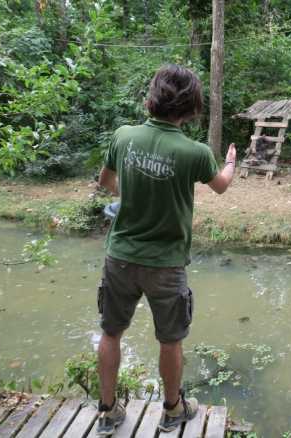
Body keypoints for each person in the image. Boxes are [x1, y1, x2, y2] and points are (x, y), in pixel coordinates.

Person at [95, 64, 236, 436]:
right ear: (192, 107)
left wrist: (136, 192)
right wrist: (233, 163)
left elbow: (106, 184)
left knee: (111, 333)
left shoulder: (123, 136)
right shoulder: (196, 152)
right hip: (166, 265)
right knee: (170, 339)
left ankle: (108, 412)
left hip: (120, 257)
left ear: (152, 98)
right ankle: (173, 409)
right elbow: (221, 186)